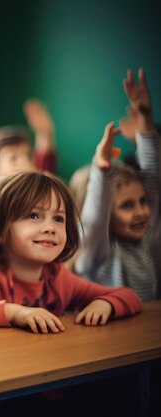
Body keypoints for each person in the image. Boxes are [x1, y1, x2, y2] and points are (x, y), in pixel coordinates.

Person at [0, 171, 142, 333]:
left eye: (58, 218)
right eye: (34, 216)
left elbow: (129, 296)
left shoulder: (58, 277)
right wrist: (18, 313)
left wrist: (106, 304)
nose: (50, 227)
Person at [75, 68, 160, 301]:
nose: (142, 211)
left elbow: (152, 177)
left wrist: (145, 121)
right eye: (127, 206)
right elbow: (95, 219)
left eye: (142, 202)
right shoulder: (98, 251)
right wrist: (102, 168)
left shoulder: (144, 235)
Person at [0, 98, 57, 176]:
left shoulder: (36, 183)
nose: (25, 161)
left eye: (29, 156)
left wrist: (44, 134)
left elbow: (43, 170)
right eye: (13, 158)